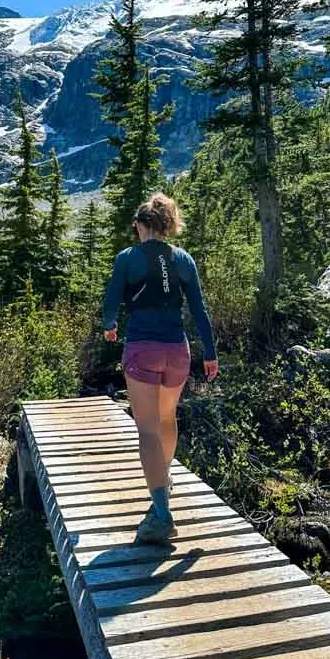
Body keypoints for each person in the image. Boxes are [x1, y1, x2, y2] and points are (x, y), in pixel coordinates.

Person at [102, 193, 219, 543]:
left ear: (141, 226)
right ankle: (162, 481)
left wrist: (110, 326)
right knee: (167, 421)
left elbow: (111, 301)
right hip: (177, 352)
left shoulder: (127, 258)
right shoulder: (183, 259)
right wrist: (210, 354)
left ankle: (162, 515)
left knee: (147, 429)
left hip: (142, 349)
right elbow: (199, 310)